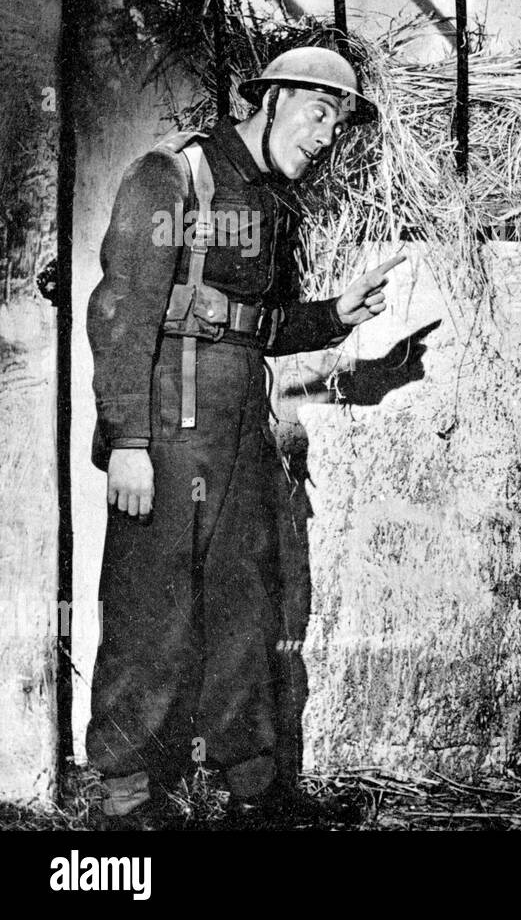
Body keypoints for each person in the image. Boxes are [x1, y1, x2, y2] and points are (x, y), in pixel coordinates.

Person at [85, 45, 404, 829]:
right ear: (269, 99)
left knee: (244, 612)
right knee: (147, 614)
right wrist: (127, 439)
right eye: (318, 112)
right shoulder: (172, 176)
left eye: (338, 122)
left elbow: (247, 328)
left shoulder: (263, 202)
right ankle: (124, 797)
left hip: (237, 438)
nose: (328, 135)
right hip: (165, 436)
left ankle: (256, 791)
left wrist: (335, 315)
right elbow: (122, 313)